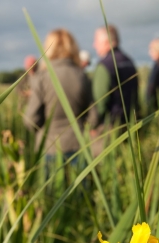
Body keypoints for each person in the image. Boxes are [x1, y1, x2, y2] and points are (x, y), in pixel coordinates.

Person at [24, 28, 94, 160]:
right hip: (78, 145)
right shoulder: (82, 76)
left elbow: (31, 120)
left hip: (49, 147)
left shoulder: (41, 78)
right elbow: (94, 117)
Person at [90, 24, 138, 156]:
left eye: (96, 41)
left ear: (106, 42)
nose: (94, 45)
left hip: (109, 127)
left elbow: (99, 100)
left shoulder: (105, 65)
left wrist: (93, 125)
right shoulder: (129, 61)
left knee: (104, 167)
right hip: (129, 123)